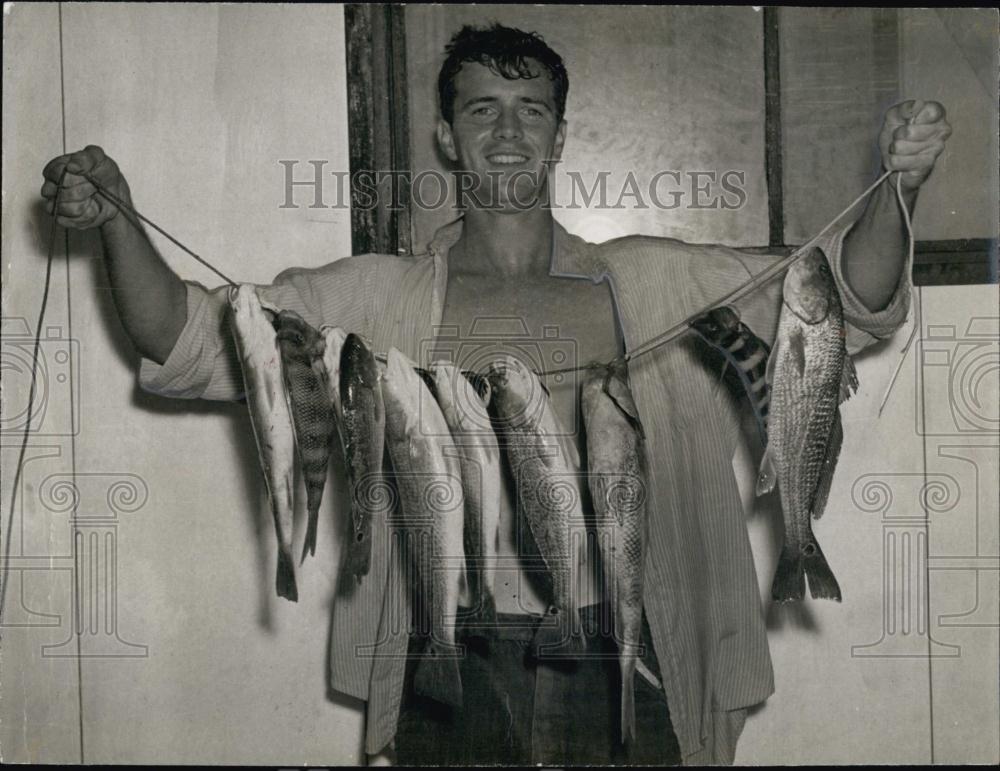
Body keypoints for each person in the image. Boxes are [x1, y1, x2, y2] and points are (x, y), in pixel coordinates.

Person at [41, 23, 951, 766]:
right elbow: (193, 336)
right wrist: (120, 222)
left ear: (560, 134)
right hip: (459, 650)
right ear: (446, 134)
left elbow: (841, 303)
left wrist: (895, 186)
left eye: (530, 111)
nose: (508, 133)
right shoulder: (376, 299)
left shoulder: (655, 281)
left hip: (630, 645)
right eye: (483, 109)